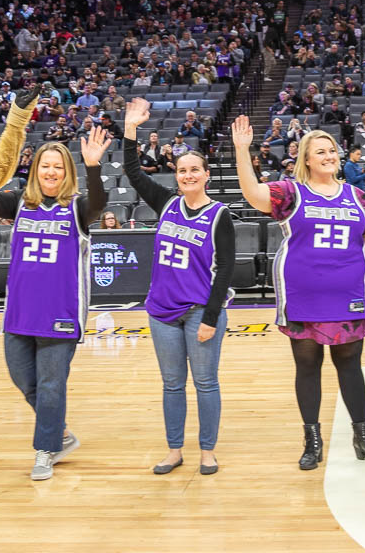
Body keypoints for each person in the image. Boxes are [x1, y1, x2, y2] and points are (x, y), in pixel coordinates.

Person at [232, 115, 365, 471]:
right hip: (302, 296)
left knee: (350, 366)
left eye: (332, 150)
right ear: (306, 159)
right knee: (308, 366)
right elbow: (252, 194)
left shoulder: (358, 197)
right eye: (320, 151)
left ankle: (363, 433)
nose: (329, 156)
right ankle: (312, 438)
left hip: (348, 294)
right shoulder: (290, 192)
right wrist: (242, 151)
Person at [0, 124, 109, 481]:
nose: (51, 171)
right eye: (45, 165)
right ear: (36, 170)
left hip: (61, 314)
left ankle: (45, 450)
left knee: (52, 385)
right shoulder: (20, 203)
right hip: (19, 313)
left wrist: (93, 166)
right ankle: (61, 435)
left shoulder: (77, 209)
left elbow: (99, 203)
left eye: (58, 166)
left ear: (66, 172)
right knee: (25, 380)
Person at [122, 98, 235, 475]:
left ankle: (207, 450)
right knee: (172, 385)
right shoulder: (166, 202)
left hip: (201, 311)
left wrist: (211, 317)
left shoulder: (219, 215)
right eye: (182, 170)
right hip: (161, 312)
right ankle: (174, 450)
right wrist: (131, 130)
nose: (187, 175)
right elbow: (134, 174)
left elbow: (226, 269)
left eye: (194, 170)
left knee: (205, 382)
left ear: (206, 175)